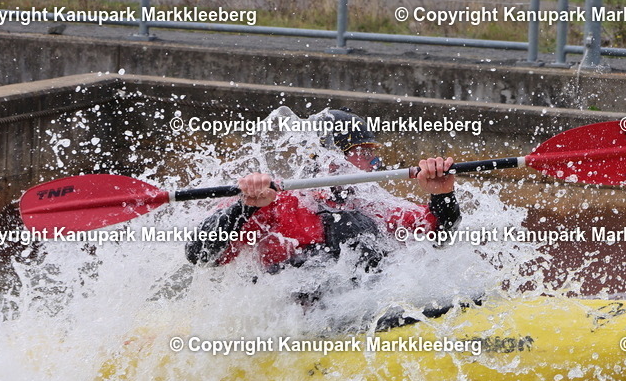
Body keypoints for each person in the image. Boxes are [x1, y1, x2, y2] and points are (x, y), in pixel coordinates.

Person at [185, 109, 461, 279]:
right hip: (288, 323)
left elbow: (439, 237)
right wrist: (244, 207)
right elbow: (200, 255)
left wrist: (442, 194)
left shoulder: (375, 206)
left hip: (355, 310)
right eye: (364, 154)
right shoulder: (273, 203)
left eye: (373, 156)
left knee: (356, 226)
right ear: (330, 160)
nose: (374, 165)